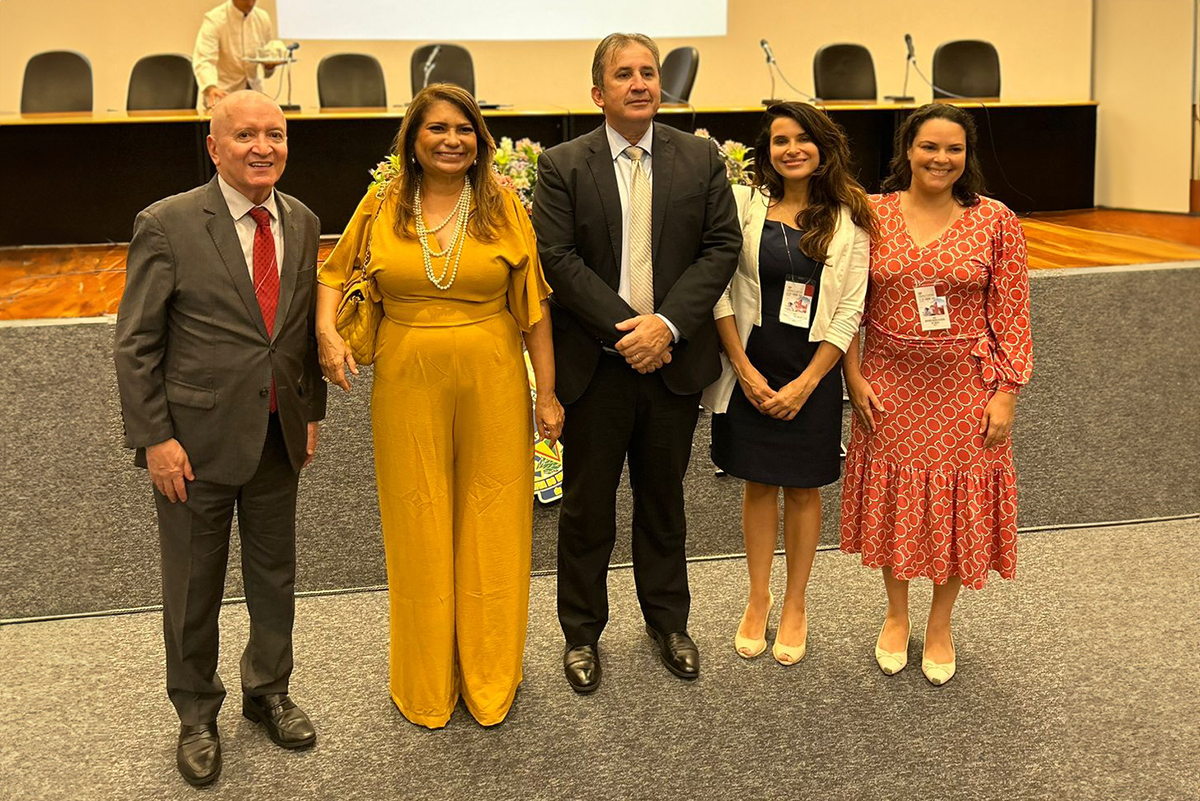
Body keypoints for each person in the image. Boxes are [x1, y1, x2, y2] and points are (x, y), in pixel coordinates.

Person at [315, 83, 561, 729]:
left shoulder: (503, 205)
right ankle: (426, 678)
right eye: (437, 129)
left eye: (464, 129)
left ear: (479, 140)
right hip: (406, 378)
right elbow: (332, 273)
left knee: (494, 520)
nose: (452, 139)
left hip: (496, 376)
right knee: (416, 524)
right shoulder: (384, 201)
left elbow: (533, 308)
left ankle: (488, 675)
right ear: (413, 140)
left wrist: (549, 393)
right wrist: (325, 331)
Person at [114, 91, 325, 786]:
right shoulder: (168, 223)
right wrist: (155, 439)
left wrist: (311, 409)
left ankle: (269, 690)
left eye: (275, 133)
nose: (262, 146)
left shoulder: (302, 219)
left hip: (275, 433)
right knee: (193, 584)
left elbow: (294, 335)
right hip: (192, 445)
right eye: (245, 135)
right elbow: (136, 344)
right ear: (213, 146)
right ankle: (197, 710)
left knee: (275, 576)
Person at [532, 33, 740, 693]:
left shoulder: (701, 158)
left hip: (672, 363)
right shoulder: (563, 165)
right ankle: (582, 633)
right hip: (596, 368)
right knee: (587, 509)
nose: (640, 83)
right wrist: (632, 330)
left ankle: (668, 622)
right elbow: (558, 260)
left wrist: (667, 326)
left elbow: (721, 246)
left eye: (648, 72)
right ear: (599, 92)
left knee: (663, 502)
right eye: (624, 74)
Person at [840, 103, 1033, 685]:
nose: (941, 159)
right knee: (897, 499)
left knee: (958, 503)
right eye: (929, 147)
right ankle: (896, 615)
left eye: (954, 149)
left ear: (967, 156)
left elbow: (1012, 313)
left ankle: (941, 621)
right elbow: (847, 304)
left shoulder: (995, 221)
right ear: (907, 150)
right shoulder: (870, 215)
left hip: (966, 387)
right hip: (888, 383)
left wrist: (1007, 393)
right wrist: (853, 376)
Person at [701, 102, 874, 665]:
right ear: (766, 150)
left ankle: (796, 602)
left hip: (813, 370)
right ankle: (758, 597)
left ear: (824, 147)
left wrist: (807, 383)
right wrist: (745, 372)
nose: (792, 149)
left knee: (802, 489)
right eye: (780, 140)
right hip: (751, 364)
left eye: (803, 138)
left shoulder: (850, 215)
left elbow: (850, 309)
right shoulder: (745, 205)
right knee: (757, 484)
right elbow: (720, 290)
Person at [193, 0, 279, 110]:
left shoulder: (263, 18)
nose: (250, 3)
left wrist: (269, 66)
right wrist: (211, 87)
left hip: (255, 94)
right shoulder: (214, 19)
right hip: (223, 94)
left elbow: (267, 56)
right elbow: (205, 59)